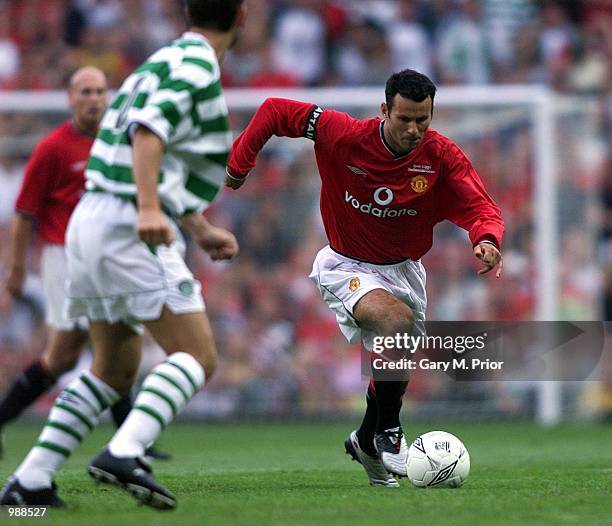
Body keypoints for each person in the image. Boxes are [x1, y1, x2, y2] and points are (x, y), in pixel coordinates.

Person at [1, 0, 244, 510]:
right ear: (240, 19)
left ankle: (30, 484)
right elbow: (148, 131)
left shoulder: (160, 60)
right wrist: (151, 209)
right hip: (127, 225)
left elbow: (152, 152)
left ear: (185, 13)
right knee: (198, 355)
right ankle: (125, 450)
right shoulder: (198, 65)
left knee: (114, 368)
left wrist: (197, 228)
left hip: (90, 221)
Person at [225, 69, 504, 487]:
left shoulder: (442, 155)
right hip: (345, 265)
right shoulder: (342, 133)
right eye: (404, 119)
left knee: (398, 350)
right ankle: (389, 432)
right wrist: (239, 162)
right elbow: (275, 110)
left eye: (422, 120)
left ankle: (366, 442)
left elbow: (482, 207)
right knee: (396, 324)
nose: (413, 129)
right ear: (383, 111)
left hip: (406, 272)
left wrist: (486, 239)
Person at [0, 66, 168, 462]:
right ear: (71, 99)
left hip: (104, 254)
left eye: (99, 91)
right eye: (85, 91)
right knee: (72, 353)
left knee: (107, 342)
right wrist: (18, 268)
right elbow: (25, 211)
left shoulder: (117, 142)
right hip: (64, 258)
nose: (93, 98)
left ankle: (129, 441)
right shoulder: (53, 148)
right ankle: (125, 441)